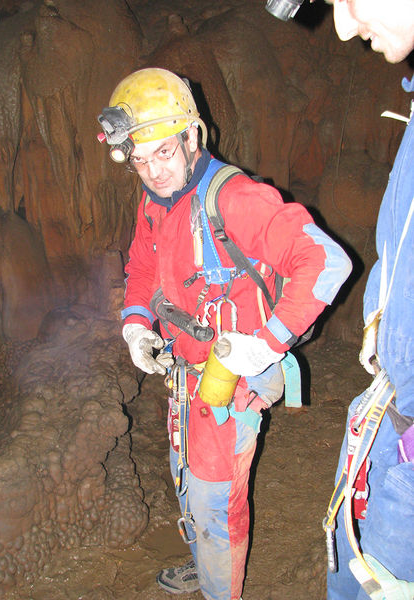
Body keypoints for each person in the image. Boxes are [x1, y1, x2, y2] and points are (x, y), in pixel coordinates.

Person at [97, 67, 352, 600]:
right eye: (140, 161)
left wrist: (270, 339)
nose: (153, 172)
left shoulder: (235, 200)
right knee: (186, 482)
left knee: (216, 503)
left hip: (229, 381)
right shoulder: (154, 202)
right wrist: (136, 327)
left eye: (163, 153)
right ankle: (207, 566)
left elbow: (326, 261)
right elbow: (142, 267)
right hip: (184, 378)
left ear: (192, 137)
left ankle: (220, 588)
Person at [266, 1, 414, 598]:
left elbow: (326, 261)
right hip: (385, 419)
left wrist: (268, 341)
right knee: (345, 575)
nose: (344, 27)